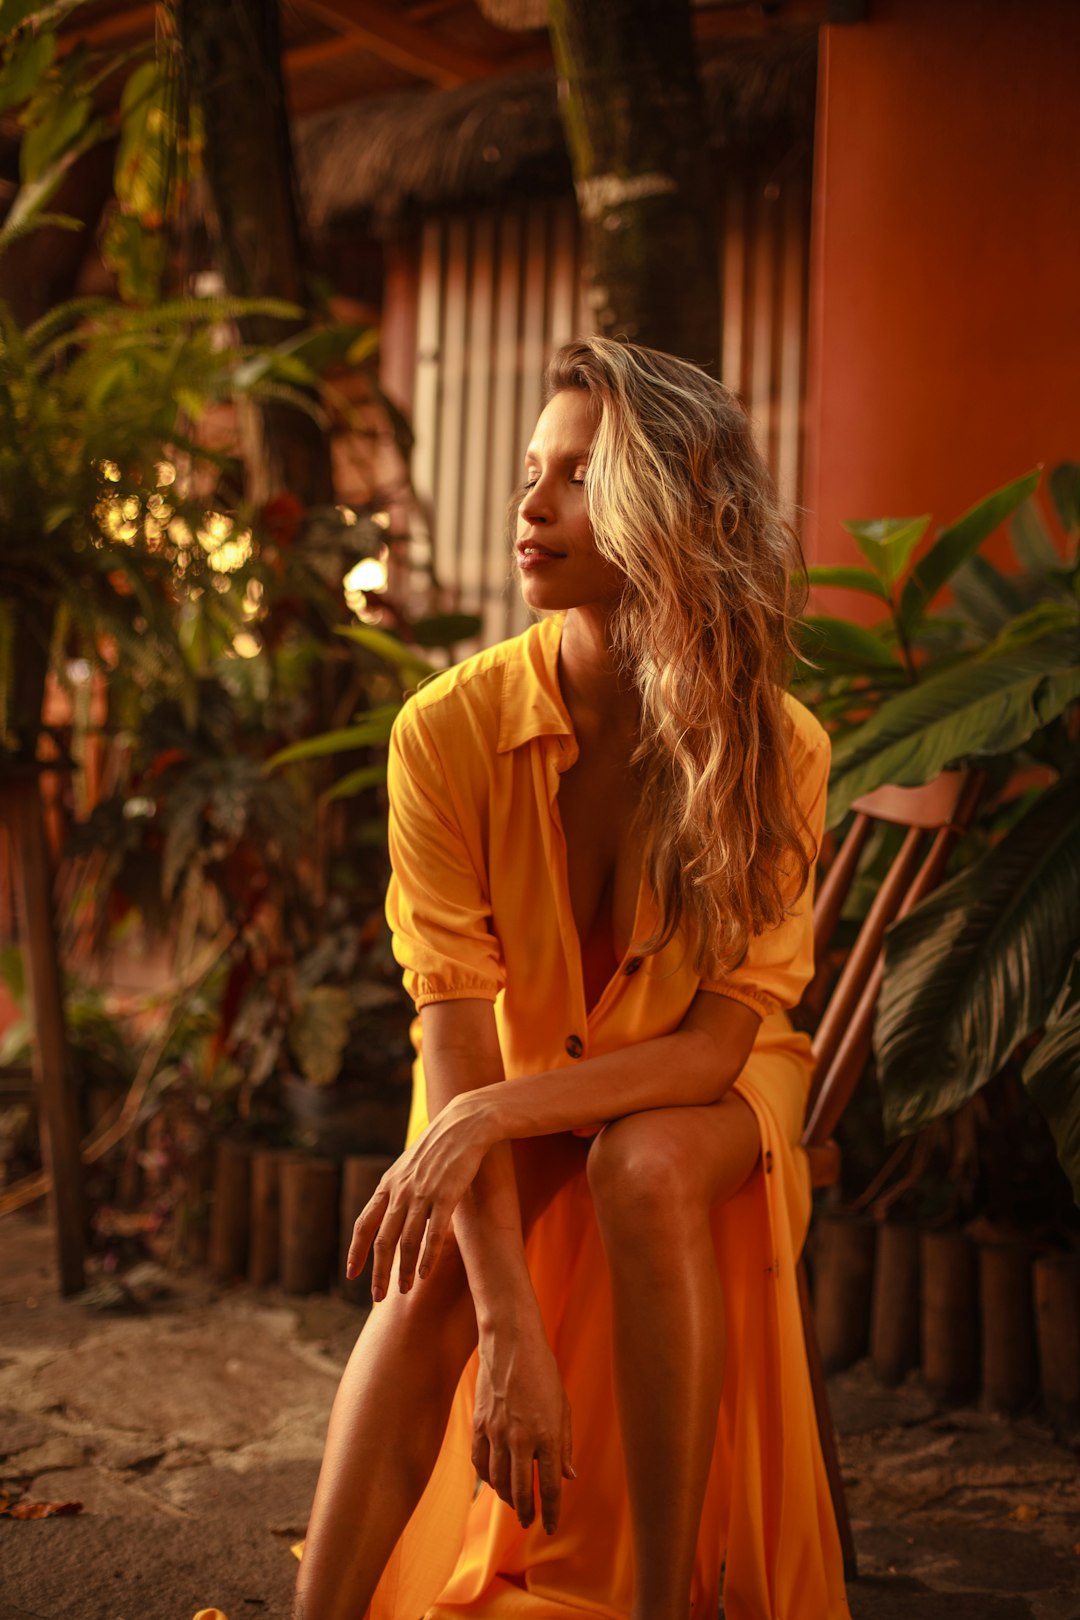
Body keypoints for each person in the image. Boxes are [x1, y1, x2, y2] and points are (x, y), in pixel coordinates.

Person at [294, 338, 851, 1620]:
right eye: (531, 472)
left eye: (581, 476)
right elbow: (455, 1038)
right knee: (435, 1263)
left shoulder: (776, 748)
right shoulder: (446, 732)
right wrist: (508, 1330)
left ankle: (662, 1605)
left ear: (678, 509)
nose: (531, 507)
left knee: (640, 1163)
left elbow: (717, 1050)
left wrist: (484, 1118)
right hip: (530, 1071)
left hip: (706, 1088)